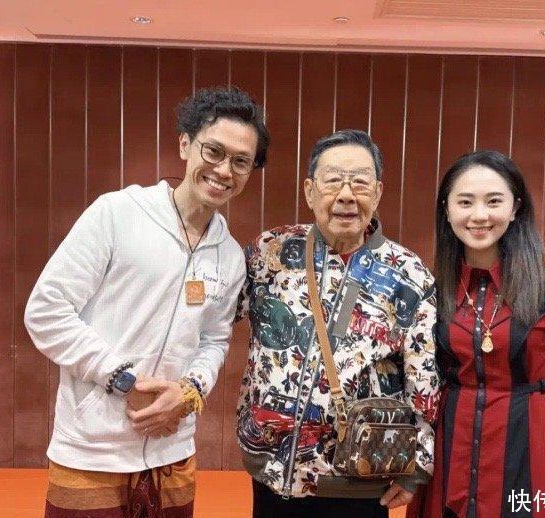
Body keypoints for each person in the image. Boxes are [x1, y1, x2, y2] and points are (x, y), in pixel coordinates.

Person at [24, 86, 269, 517]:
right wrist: (122, 379)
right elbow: (47, 310)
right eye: (213, 151)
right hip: (91, 450)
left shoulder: (230, 256)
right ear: (185, 145)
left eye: (240, 161)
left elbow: (214, 340)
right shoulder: (118, 213)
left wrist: (189, 391)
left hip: (172, 451)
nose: (223, 170)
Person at [236, 129, 441, 518]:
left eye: (360, 182)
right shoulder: (271, 252)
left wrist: (418, 466)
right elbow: (214, 317)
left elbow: (425, 379)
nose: (347, 194)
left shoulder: (409, 274)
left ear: (377, 193)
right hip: (273, 469)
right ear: (310, 191)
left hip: (361, 475)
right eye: (333, 181)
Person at [411, 150, 545, 518]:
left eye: (494, 201)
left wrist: (537, 410)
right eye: (465, 202)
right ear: (447, 210)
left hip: (535, 443)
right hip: (454, 446)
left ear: (515, 208)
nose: (479, 215)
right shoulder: (435, 287)